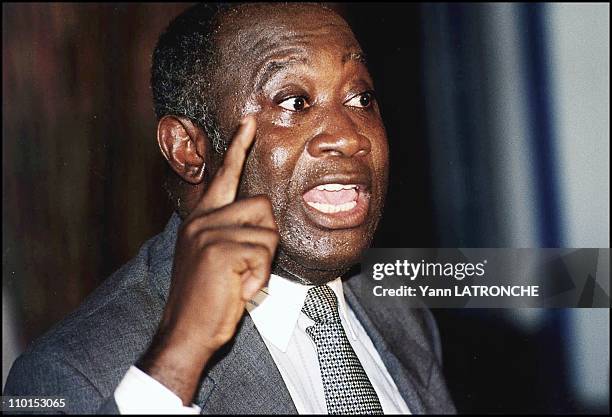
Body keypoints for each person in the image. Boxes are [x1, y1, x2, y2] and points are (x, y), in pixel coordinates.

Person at [4, 3, 455, 414]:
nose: (349, 136)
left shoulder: (400, 314)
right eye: (295, 103)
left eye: (361, 98)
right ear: (189, 149)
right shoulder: (74, 373)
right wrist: (178, 361)